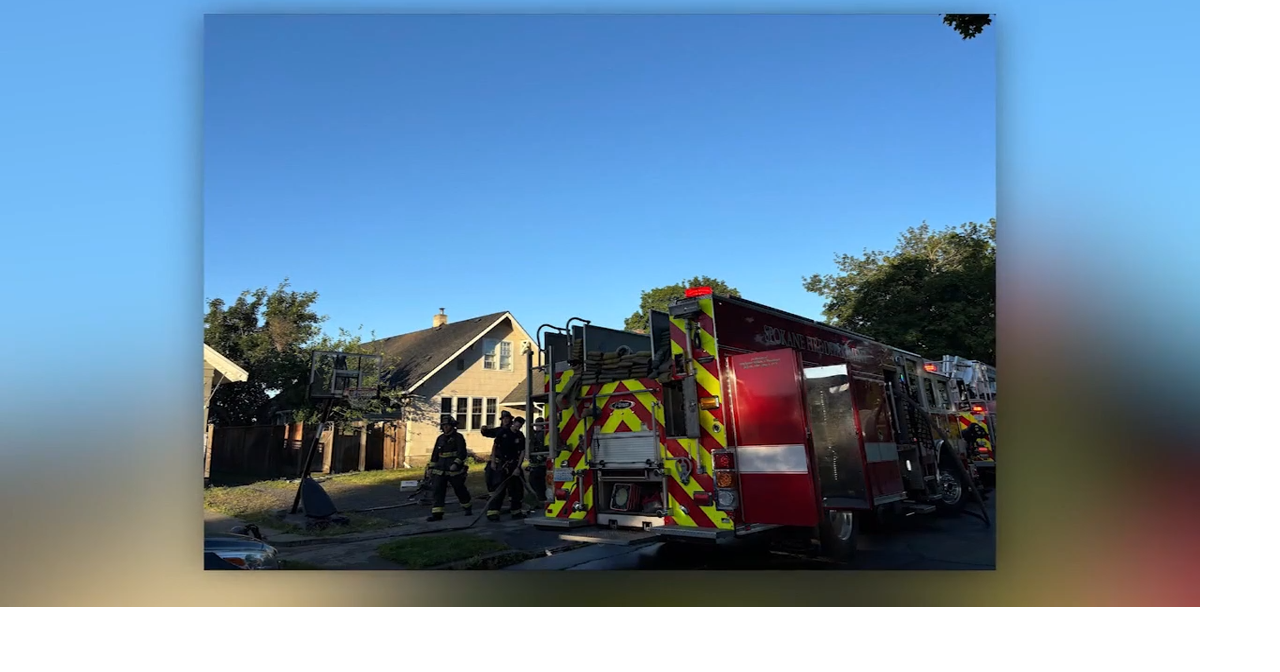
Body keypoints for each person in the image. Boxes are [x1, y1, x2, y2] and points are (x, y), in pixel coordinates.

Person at [424, 414, 472, 522]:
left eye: (447, 425)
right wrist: (431, 467)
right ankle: (437, 513)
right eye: (444, 425)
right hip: (440, 467)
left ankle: (467, 506)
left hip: (453, 468)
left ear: (452, 426)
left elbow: (462, 453)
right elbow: (435, 454)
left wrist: (456, 464)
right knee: (437, 489)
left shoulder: (458, 437)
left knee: (459, 488)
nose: (445, 427)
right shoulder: (440, 438)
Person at [480, 410, 526, 522]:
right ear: (514, 423)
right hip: (500, 464)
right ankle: (493, 513)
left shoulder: (520, 436)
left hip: (513, 464)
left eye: (519, 426)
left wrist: (517, 467)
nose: (517, 427)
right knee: (498, 488)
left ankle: (516, 511)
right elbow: (495, 447)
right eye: (517, 425)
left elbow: (522, 452)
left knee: (516, 489)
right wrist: (493, 462)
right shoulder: (502, 432)